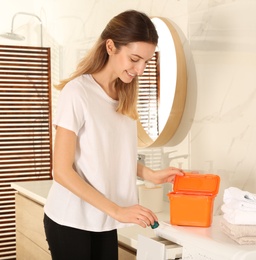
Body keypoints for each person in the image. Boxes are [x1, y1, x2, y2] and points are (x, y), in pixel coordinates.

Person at [43, 10, 184, 260]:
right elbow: (61, 171)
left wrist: (149, 174)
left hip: (103, 218)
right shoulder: (78, 93)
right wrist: (118, 210)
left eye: (146, 62)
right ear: (110, 46)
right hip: (70, 219)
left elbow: (112, 154)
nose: (140, 69)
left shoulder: (124, 96)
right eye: (134, 59)